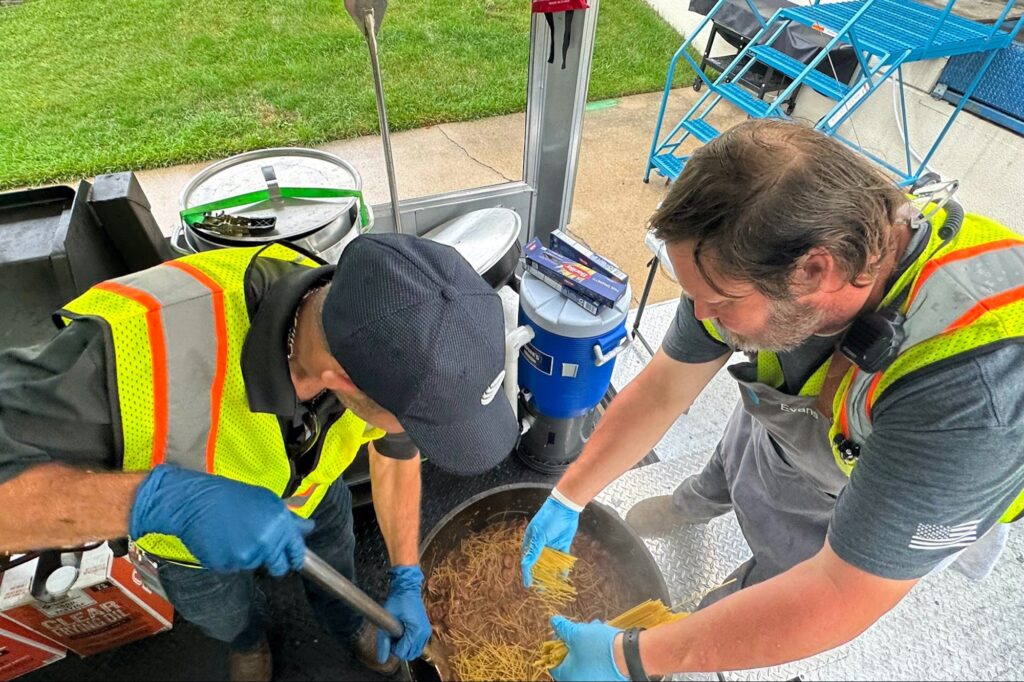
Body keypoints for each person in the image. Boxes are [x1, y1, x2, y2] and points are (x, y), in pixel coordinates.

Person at [519, 120, 1024, 680]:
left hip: (865, 482)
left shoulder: (974, 398)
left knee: (788, 567)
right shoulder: (750, 255)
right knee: (734, 463)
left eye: (719, 303)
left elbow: (841, 593)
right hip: (788, 421)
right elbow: (664, 387)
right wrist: (570, 494)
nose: (702, 317)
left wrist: (632, 656)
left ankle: (733, 596)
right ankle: (690, 507)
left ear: (816, 269)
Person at [0, 234, 518, 681]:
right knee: (225, 613)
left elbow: (394, 447)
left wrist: (406, 573)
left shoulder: (372, 313)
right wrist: (160, 502)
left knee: (338, 572)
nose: (414, 433)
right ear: (341, 381)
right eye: (415, 420)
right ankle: (249, 643)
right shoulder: (130, 348)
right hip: (188, 548)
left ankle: (349, 625)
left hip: (314, 494)